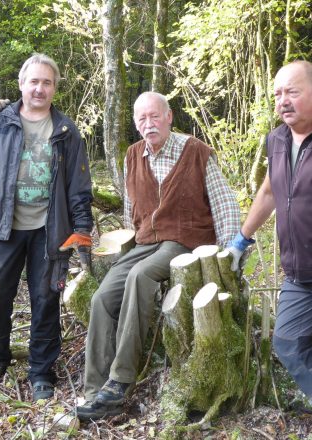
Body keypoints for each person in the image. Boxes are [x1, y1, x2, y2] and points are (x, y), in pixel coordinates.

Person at [76, 91, 241, 421]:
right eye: (141, 118)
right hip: (145, 243)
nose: (148, 123)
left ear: (169, 117)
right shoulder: (134, 155)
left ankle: (120, 381)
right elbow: (130, 210)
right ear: (136, 124)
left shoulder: (195, 152)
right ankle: (95, 389)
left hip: (185, 241)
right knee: (102, 298)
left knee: (141, 276)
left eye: (154, 116)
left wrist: (228, 257)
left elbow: (225, 206)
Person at [0, 53, 93, 400]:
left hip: (50, 229)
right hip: (4, 226)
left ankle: (41, 371)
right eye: (33, 81)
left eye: (47, 82)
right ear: (21, 84)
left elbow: (79, 187)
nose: (39, 88)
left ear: (54, 88)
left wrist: (82, 229)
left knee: (46, 299)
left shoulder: (66, 130)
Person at [227, 60, 312, 405]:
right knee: (288, 342)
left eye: (292, 91)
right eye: (278, 93)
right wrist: (241, 240)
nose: (283, 100)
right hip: (299, 272)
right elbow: (269, 191)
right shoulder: (276, 140)